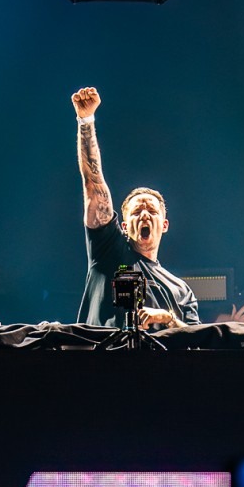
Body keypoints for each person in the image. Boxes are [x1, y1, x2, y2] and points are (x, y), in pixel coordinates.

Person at [71, 86, 201, 330]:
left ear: (164, 225)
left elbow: (197, 341)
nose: (144, 215)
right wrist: (86, 121)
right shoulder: (109, 250)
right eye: (136, 211)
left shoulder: (181, 290)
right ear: (123, 225)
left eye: (152, 211)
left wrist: (168, 318)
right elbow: (93, 184)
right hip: (105, 353)